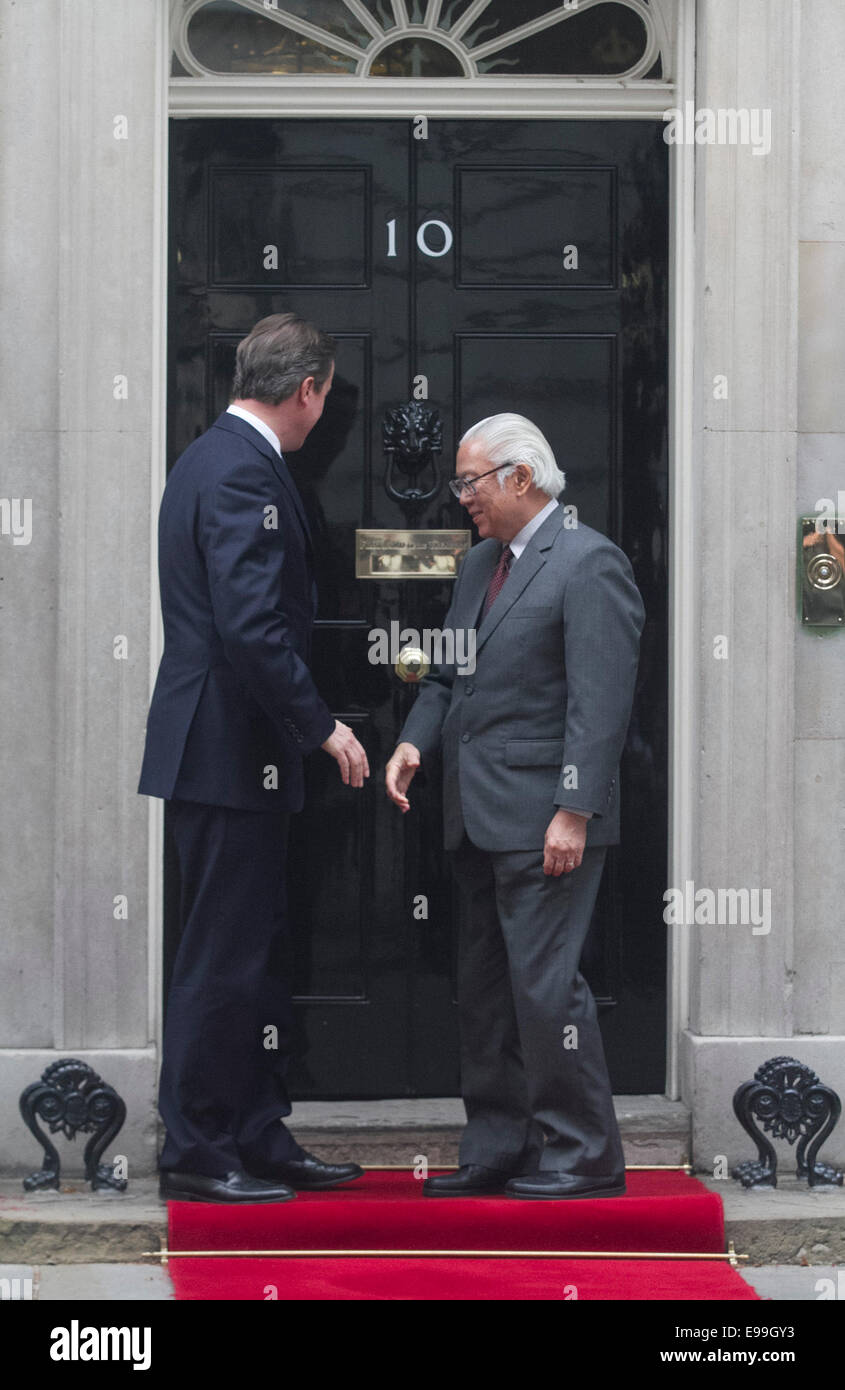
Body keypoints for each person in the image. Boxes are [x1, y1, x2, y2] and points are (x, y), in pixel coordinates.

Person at [139, 313, 369, 1204]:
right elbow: (249, 627)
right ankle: (198, 1150)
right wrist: (324, 728)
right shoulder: (239, 469)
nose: (321, 413)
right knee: (221, 957)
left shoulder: (219, 459)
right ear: (306, 389)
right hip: (227, 752)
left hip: (234, 752)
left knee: (255, 953)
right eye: (323, 396)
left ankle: (255, 1132)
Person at [386, 413, 645, 1200]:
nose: (460, 494)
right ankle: (498, 1145)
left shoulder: (588, 562)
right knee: (487, 993)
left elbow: (600, 706)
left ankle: (582, 1153)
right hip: (475, 814)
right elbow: (444, 677)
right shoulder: (477, 569)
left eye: (470, 481)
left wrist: (574, 810)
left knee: (545, 990)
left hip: (545, 822)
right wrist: (412, 744)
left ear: (520, 478)